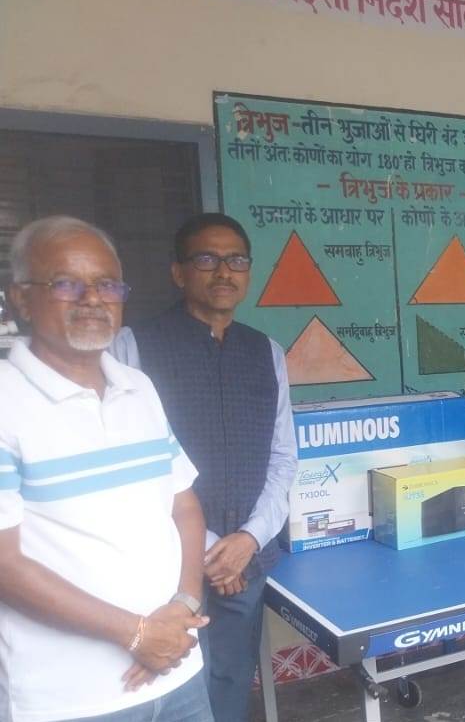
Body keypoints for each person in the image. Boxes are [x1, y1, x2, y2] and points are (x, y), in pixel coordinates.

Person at [0, 216, 212, 722]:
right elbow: (5, 563)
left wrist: (184, 605)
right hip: (72, 700)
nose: (93, 298)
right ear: (22, 299)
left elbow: (184, 508)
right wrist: (136, 634)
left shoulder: (139, 388)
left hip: (178, 673)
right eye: (66, 283)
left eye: (107, 284)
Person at [110, 213, 296, 722]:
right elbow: (131, 462)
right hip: (168, 559)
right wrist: (214, 549)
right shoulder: (131, 347)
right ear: (178, 272)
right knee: (172, 684)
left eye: (236, 260)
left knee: (232, 680)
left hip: (248, 559)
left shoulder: (267, 352)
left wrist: (249, 539)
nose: (223, 272)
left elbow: (283, 458)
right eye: (207, 259)